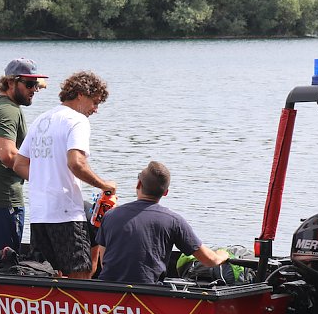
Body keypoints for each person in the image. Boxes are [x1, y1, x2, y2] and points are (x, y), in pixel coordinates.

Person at [13, 71, 116, 279]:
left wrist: (46, 177)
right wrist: (105, 185)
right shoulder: (77, 121)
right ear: (80, 94)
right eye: (94, 102)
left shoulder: (42, 119)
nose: (95, 109)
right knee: (81, 274)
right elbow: (76, 163)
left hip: (40, 214)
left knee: (47, 275)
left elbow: (19, 164)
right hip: (66, 212)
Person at [96, 161, 229, 284]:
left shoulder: (110, 215)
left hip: (109, 295)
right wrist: (223, 254)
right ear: (165, 192)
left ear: (138, 184)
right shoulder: (174, 221)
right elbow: (210, 260)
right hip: (150, 294)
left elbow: (104, 262)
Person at [0, 58, 48, 251]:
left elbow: (28, 85)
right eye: (29, 84)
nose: (34, 90)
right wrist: (42, 180)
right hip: (3, 199)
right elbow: (7, 154)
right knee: (6, 261)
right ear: (11, 82)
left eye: (36, 85)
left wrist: (35, 83)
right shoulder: (9, 111)